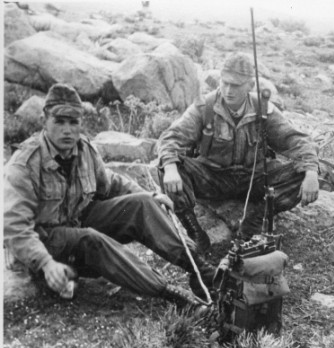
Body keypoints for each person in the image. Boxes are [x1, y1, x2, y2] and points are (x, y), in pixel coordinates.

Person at [4, 83, 208, 307]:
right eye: (59, 121)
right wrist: (45, 263)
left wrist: (149, 195)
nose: (67, 130)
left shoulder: (84, 150)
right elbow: (14, 227)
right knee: (91, 238)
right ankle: (173, 295)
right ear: (45, 120)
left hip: (75, 229)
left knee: (141, 203)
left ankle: (201, 269)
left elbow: (110, 184)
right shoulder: (25, 163)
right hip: (43, 245)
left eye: (74, 122)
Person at [157, 52, 319, 258]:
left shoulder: (264, 110)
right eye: (224, 83)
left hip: (253, 180)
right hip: (212, 178)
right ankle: (195, 233)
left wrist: (311, 171)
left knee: (302, 172)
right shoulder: (204, 107)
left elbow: (297, 141)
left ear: (250, 86)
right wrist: (171, 167)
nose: (228, 90)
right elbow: (172, 137)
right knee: (166, 166)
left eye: (235, 85)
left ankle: (254, 222)